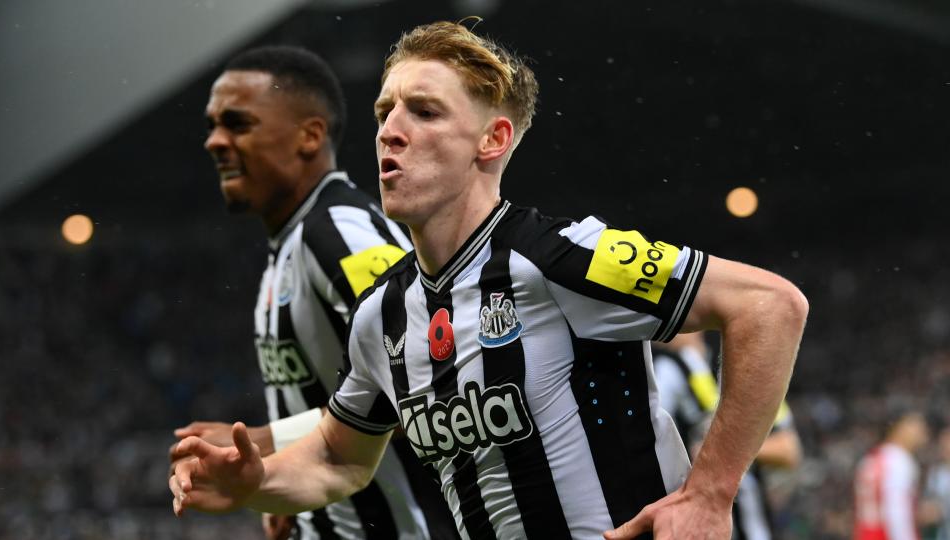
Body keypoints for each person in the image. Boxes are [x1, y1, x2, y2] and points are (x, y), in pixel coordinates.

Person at [169, 21, 809, 539]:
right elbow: (338, 458)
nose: (391, 130)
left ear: (492, 140)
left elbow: (771, 306)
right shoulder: (381, 316)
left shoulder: (560, 256)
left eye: (423, 111)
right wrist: (254, 481)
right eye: (384, 111)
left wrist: (710, 492)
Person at [170, 45, 458, 540]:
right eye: (213, 124)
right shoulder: (291, 242)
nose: (214, 142)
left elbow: (430, 369)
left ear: (309, 136)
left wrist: (267, 443)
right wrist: (288, 498)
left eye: (237, 124)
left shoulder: (338, 232)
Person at [652, 331, 803, 540]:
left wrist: (724, 446)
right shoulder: (665, 370)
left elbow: (789, 450)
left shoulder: (746, 371)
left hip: (754, 527)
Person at [854, 407, 930, 540]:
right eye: (915, 424)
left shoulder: (871, 458)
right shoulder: (899, 461)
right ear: (897, 427)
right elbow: (896, 512)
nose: (922, 430)